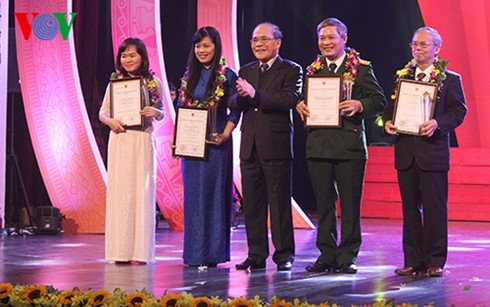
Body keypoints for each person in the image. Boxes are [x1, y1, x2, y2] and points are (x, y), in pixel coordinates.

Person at [296, 17, 386, 274]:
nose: (326, 42)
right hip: (319, 145)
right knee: (323, 205)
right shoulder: (312, 69)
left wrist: (359, 105)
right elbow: (307, 102)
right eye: (322, 38)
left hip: (349, 147)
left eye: (331, 37)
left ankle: (348, 255)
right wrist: (300, 106)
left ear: (344, 39)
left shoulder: (361, 68)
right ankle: (326, 254)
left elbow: (378, 101)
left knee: (349, 205)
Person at [383, 27, 467, 277]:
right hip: (406, 152)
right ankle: (412, 259)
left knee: (435, 209)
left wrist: (437, 124)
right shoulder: (402, 77)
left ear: (437, 49)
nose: (417, 49)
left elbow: (458, 111)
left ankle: (435, 260)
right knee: (409, 209)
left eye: (422, 44)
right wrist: (387, 122)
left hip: (433, 153)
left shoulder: (450, 79)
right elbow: (390, 108)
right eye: (414, 44)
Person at [230, 22, 303, 271]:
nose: (257, 44)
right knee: (252, 203)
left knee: (279, 203)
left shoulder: (291, 69)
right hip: (249, 146)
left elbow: (288, 100)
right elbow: (233, 102)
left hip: (276, 145)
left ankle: (284, 254)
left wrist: (255, 94)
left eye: (263, 39)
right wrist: (241, 96)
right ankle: (256, 254)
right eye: (254, 40)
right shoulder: (246, 70)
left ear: (277, 42)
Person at [177, 26, 239, 267]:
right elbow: (183, 109)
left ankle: (213, 253)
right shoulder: (188, 75)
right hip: (191, 147)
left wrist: (225, 134)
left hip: (216, 144)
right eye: (198, 45)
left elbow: (236, 109)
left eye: (207, 46)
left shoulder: (227, 75)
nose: (201, 50)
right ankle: (194, 254)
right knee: (194, 198)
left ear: (216, 47)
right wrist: (179, 139)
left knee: (213, 196)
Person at [99, 37, 164, 264]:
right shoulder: (114, 83)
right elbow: (103, 112)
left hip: (142, 140)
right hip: (119, 139)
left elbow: (163, 112)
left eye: (132, 55)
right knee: (120, 194)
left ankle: (140, 252)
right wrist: (110, 122)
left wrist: (153, 112)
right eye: (124, 55)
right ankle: (119, 251)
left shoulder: (153, 82)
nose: (128, 59)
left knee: (141, 193)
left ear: (142, 57)